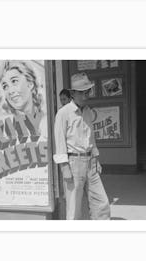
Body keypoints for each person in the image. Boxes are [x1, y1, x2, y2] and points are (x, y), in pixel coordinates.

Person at [53, 72, 111, 220]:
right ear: (73, 93)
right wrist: (64, 167)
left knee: (101, 202)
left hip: (91, 162)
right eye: (82, 93)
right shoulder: (63, 113)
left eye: (88, 92)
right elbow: (59, 141)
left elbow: (91, 137)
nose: (86, 95)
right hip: (74, 164)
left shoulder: (87, 111)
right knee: (74, 208)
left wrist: (96, 158)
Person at [0, 60, 47, 140]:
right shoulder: (5, 127)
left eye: (14, 81)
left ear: (30, 84)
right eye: (5, 86)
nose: (10, 91)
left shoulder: (47, 120)